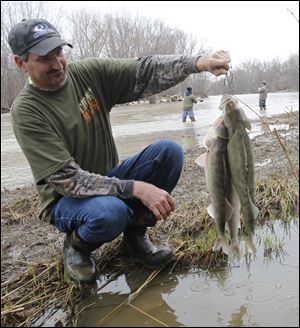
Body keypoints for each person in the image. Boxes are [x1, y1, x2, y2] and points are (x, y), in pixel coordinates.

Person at [7, 18, 231, 283]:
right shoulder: (27, 111)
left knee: (169, 152)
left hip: (108, 177)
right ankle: (77, 246)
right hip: (64, 200)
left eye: (59, 52)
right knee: (110, 212)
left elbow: (145, 70)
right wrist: (137, 188)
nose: (57, 64)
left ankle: (134, 239)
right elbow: (68, 180)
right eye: (45, 58)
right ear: (21, 63)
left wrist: (199, 63)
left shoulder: (88, 74)